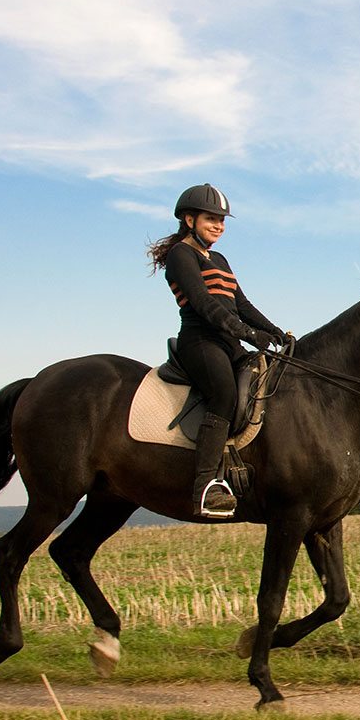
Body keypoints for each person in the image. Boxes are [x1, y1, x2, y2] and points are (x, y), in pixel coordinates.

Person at [147, 184, 288, 517]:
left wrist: (275, 332)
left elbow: (241, 304)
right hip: (200, 342)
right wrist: (248, 334)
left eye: (222, 221)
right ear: (189, 218)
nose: (218, 226)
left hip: (229, 342)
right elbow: (203, 303)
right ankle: (205, 489)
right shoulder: (181, 254)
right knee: (224, 396)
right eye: (211, 219)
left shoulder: (220, 259)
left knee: (268, 381)